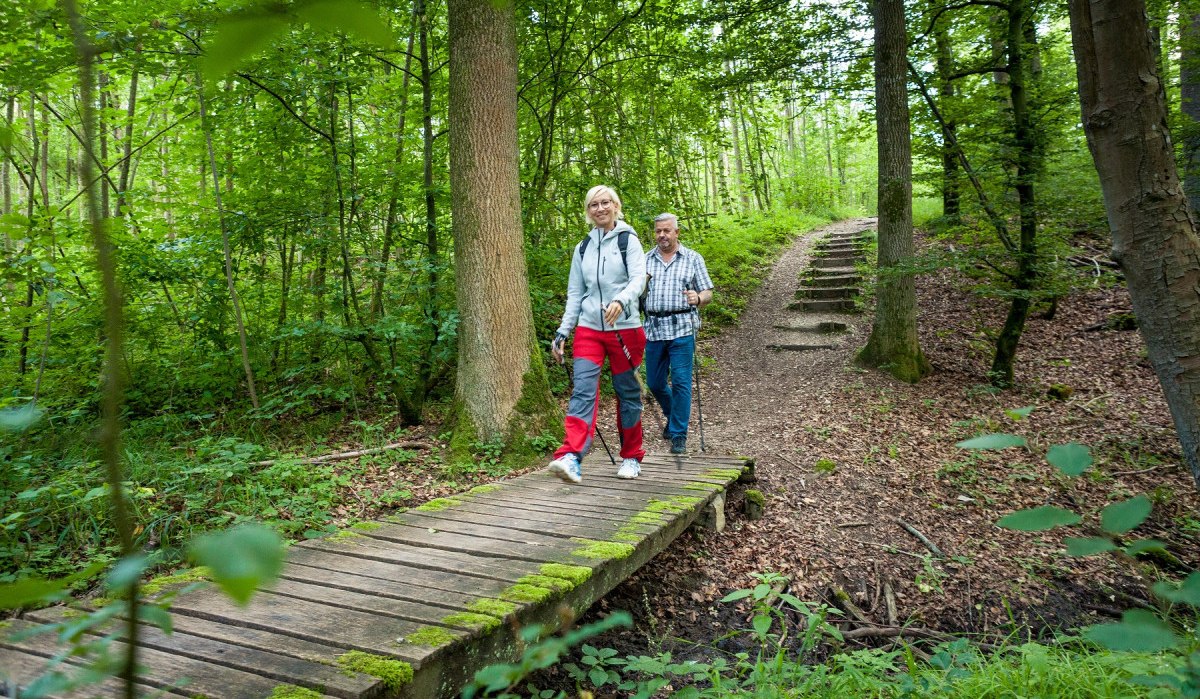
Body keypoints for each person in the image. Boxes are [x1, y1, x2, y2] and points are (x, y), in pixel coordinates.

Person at [547, 185, 648, 483]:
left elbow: (638, 279)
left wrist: (621, 300)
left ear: (616, 206)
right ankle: (571, 456)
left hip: (626, 329)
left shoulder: (628, 241)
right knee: (582, 390)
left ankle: (631, 456)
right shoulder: (583, 247)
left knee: (628, 394)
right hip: (590, 329)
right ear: (588, 211)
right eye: (594, 205)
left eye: (605, 203)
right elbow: (576, 294)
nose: (600, 208)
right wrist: (563, 331)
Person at [642, 213, 713, 454]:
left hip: (682, 326)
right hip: (653, 328)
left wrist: (699, 297)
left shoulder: (693, 258)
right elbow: (635, 292)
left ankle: (679, 434)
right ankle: (673, 419)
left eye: (667, 231)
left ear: (676, 232)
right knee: (655, 382)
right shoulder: (644, 260)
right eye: (658, 231)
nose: (662, 235)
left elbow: (708, 293)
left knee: (682, 382)